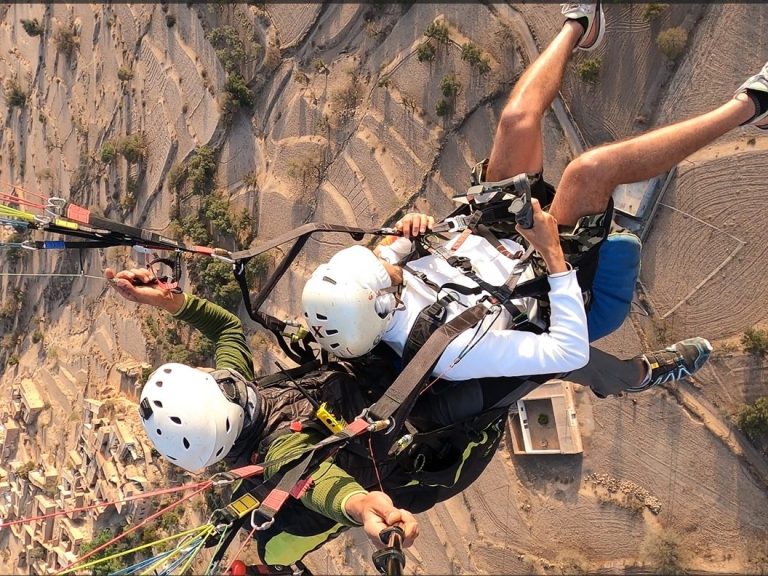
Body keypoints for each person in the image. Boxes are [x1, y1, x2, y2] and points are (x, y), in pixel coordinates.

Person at [302, 0, 768, 401]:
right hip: (537, 279)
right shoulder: (449, 354)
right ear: (381, 305)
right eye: (382, 270)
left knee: (516, 121)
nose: (383, 259)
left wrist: (412, 226)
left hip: (485, 230)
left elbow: (395, 249)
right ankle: (749, 107)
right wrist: (551, 253)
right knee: (591, 171)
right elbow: (566, 353)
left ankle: (580, 26)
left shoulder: (377, 282)